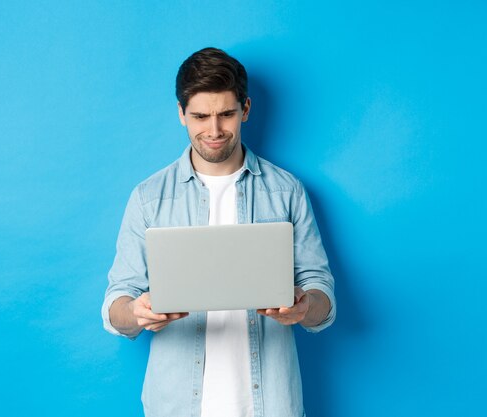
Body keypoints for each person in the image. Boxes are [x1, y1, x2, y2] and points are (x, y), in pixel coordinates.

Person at [102, 47, 336, 417]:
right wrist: (136, 311)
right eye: (200, 116)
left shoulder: (287, 190)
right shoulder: (149, 198)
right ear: (181, 114)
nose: (213, 131)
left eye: (226, 114)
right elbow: (116, 306)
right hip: (176, 405)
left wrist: (305, 306)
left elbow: (321, 292)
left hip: (271, 404)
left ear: (245, 109)